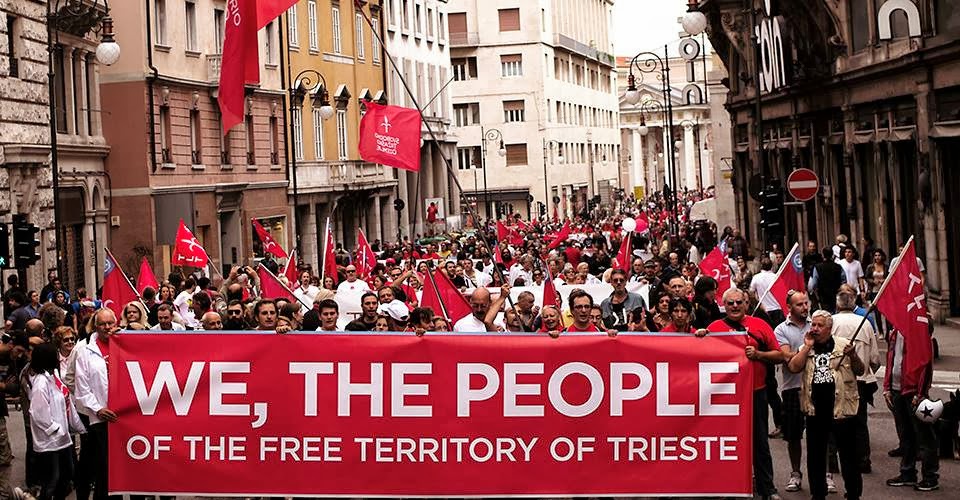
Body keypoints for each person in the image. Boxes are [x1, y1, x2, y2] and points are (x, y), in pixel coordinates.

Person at [703, 287, 783, 500]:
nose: (735, 306)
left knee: (760, 443)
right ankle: (726, 486)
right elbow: (699, 356)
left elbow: (779, 356)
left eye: (739, 302)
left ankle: (768, 489)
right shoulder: (715, 328)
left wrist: (758, 354)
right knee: (724, 443)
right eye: (731, 303)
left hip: (755, 393)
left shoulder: (760, 326)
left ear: (746, 304)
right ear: (724, 306)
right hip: (724, 397)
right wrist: (699, 336)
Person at [786, 310, 864, 500]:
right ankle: (818, 493)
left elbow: (860, 370)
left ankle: (853, 493)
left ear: (829, 328)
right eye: (813, 324)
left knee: (848, 456)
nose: (815, 329)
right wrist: (806, 348)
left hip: (841, 409)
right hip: (815, 410)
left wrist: (853, 355)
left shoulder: (843, 345)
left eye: (820, 326)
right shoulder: (807, 347)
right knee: (815, 457)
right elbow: (794, 367)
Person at [883, 319, 939, 491]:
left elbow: (925, 366)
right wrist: (887, 387)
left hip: (914, 392)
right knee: (906, 434)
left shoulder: (920, 333)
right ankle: (907, 472)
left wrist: (920, 393)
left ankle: (930, 476)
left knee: (924, 436)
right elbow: (891, 360)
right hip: (897, 389)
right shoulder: (894, 333)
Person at [832, 286, 881, 473]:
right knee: (860, 422)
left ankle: (834, 462)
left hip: (837, 378)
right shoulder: (865, 323)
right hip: (862, 380)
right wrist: (868, 369)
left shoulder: (832, 322)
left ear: (837, 304)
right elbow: (875, 359)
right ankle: (863, 460)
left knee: (835, 419)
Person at [29, 342, 85, 500]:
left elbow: (65, 403)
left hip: (62, 439)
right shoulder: (40, 383)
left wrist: (76, 427)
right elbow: (38, 413)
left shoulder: (53, 378)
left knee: (66, 475)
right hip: (50, 442)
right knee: (51, 480)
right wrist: (56, 429)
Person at [74, 308, 120, 500]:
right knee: (104, 466)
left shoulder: (125, 342)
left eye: (110, 323)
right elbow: (81, 386)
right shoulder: (84, 350)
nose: (107, 327)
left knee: (123, 466)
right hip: (100, 417)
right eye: (102, 324)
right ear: (96, 325)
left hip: (124, 415)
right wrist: (98, 408)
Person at [774, 291, 812, 493]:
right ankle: (795, 473)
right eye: (799, 305)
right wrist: (804, 350)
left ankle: (826, 474)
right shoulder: (781, 329)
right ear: (789, 307)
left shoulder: (816, 324)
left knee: (821, 434)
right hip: (792, 388)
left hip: (816, 387)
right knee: (793, 435)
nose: (804, 308)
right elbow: (786, 357)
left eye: (806, 303)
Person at [750, 257, 784, 326]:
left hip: (764, 309)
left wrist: (758, 301)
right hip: (777, 308)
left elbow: (751, 292)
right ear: (771, 266)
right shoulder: (776, 277)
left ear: (761, 266)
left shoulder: (756, 277)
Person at [809, 247, 845, 313]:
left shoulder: (817, 267)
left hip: (823, 296)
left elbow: (813, 284)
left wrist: (813, 293)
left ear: (823, 255)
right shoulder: (838, 267)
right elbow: (844, 281)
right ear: (832, 255)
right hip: (836, 295)